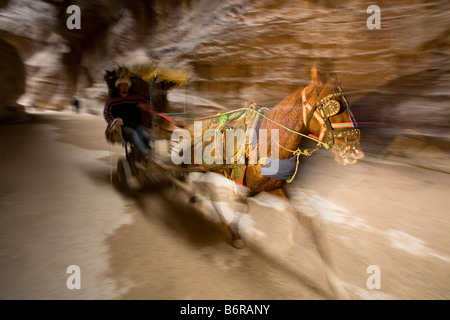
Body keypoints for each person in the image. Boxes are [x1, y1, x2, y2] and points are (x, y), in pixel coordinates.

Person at [103, 77, 153, 161]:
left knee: (146, 134)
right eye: (121, 85)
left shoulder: (135, 97)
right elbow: (106, 113)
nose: (124, 87)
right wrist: (114, 122)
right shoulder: (111, 100)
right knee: (132, 134)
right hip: (123, 126)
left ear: (129, 86)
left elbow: (149, 103)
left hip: (137, 124)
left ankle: (141, 152)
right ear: (118, 87)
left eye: (126, 85)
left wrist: (144, 106)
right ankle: (144, 153)